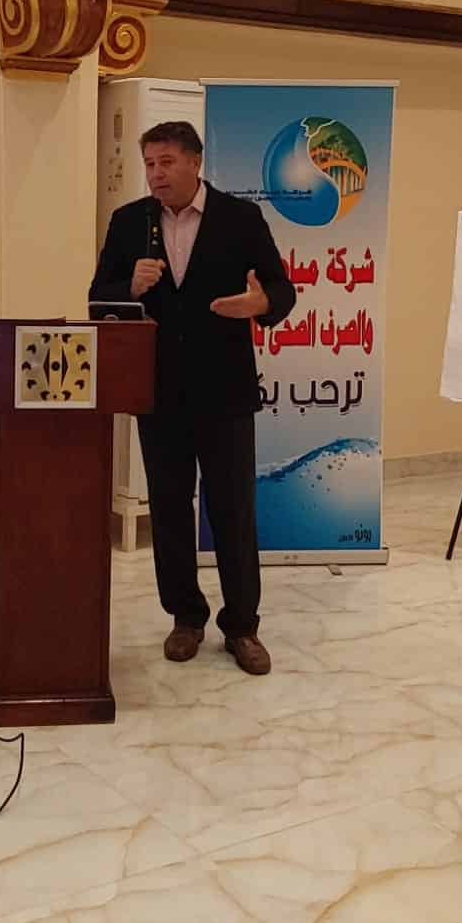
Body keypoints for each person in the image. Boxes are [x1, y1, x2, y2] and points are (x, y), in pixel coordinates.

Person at [88, 120, 296, 675]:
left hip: (225, 391)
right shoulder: (129, 222)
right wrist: (128, 288)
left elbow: (282, 289)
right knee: (170, 510)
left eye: (166, 162)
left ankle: (242, 626)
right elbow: (97, 300)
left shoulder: (240, 217)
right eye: (149, 164)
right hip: (157, 392)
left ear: (195, 163)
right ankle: (185, 616)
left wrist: (258, 306)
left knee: (233, 510)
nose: (156, 174)